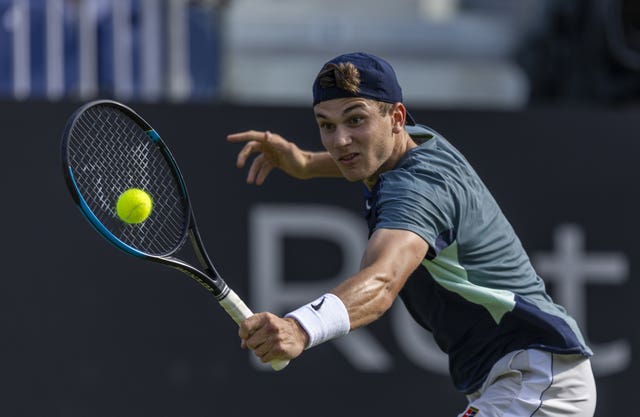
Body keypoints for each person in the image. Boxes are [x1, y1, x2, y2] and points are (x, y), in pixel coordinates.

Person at [227, 52, 596, 417]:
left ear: (396, 118)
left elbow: (382, 281)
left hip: (537, 383)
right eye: (327, 125)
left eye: (356, 119)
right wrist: (306, 164)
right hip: (519, 377)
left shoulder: (416, 191)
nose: (340, 141)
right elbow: (363, 155)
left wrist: (299, 328)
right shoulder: (417, 143)